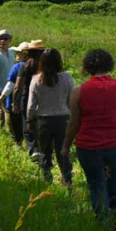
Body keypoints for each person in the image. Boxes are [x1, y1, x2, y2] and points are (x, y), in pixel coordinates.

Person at [60, 49, 116, 217]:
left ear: (87, 66)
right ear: (109, 65)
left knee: (96, 183)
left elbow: (74, 123)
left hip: (88, 146)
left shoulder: (79, 91)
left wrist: (65, 146)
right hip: (115, 143)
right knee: (114, 178)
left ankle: (101, 219)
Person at [26, 48, 75, 185]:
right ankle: (67, 179)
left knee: (44, 152)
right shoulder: (67, 78)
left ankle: (47, 178)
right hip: (63, 119)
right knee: (63, 151)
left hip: (43, 120)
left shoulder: (36, 79)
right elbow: (71, 101)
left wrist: (29, 121)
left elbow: (31, 105)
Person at [14, 40, 46, 161]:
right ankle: (42, 148)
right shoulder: (45, 66)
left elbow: (18, 87)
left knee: (27, 124)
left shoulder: (25, 66)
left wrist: (15, 103)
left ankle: (34, 150)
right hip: (42, 98)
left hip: (26, 97)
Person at [0, 42, 30, 147]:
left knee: (15, 128)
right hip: (30, 103)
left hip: (15, 102)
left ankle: (18, 145)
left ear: (25, 55)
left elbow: (10, 86)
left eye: (19, 53)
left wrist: (1, 99)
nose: (17, 54)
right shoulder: (36, 66)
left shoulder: (17, 67)